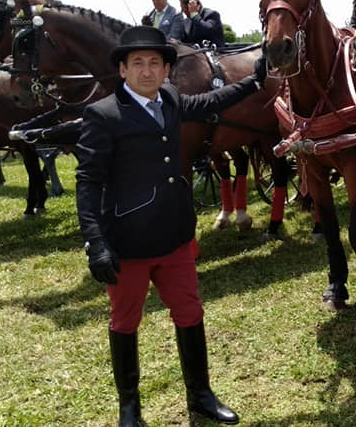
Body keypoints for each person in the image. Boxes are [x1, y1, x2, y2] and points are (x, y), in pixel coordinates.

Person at [75, 25, 267, 426]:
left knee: (190, 313)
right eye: (138, 63)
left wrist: (255, 80)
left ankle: (200, 395)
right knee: (125, 322)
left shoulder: (171, 98)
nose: (147, 71)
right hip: (127, 242)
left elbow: (212, 100)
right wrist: (95, 242)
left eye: (155, 63)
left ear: (166, 71)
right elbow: (88, 182)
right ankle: (130, 408)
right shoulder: (103, 114)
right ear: (123, 70)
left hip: (175, 235)